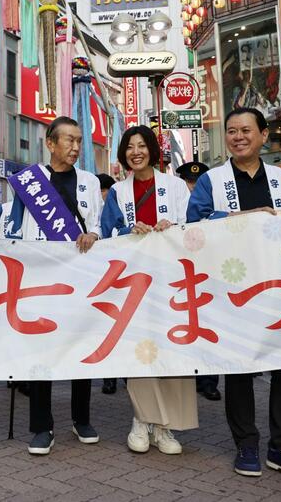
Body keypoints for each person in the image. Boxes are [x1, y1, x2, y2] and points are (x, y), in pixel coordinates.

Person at [188, 107, 281, 481]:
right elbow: (192, 226)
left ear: (264, 135)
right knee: (239, 367)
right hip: (231, 287)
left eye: (246, 130)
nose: (238, 137)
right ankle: (246, 443)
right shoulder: (211, 181)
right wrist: (237, 219)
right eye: (231, 131)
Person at [0, 116, 102, 456]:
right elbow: (13, 227)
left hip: (79, 278)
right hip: (39, 280)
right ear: (50, 143)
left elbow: (101, 225)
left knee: (80, 347)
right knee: (41, 352)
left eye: (78, 140)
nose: (74, 147)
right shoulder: (29, 182)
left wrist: (94, 235)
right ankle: (41, 426)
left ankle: (81, 418)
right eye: (68, 140)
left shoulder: (88, 182)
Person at [101, 125, 196, 455]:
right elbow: (106, 233)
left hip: (172, 282)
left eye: (142, 145)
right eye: (130, 146)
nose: (135, 151)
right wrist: (129, 230)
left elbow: (195, 226)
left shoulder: (175, 187)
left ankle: (166, 427)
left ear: (153, 150)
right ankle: (141, 420)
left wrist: (174, 227)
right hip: (135, 285)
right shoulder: (117, 192)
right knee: (140, 350)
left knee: (172, 349)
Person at [176, 161, 221, 401]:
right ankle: (187, 376)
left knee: (208, 324)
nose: (193, 186)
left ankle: (209, 381)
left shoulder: (213, 201)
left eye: (197, 181)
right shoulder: (176, 199)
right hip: (180, 272)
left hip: (208, 269)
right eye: (189, 181)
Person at [96, 173, 119, 396]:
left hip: (122, 275)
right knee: (107, 326)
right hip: (102, 279)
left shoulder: (116, 205)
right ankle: (109, 378)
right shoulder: (92, 209)